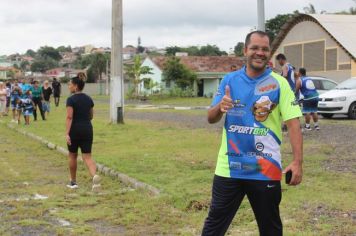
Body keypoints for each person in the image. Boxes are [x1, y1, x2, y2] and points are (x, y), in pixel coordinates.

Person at [202, 31, 303, 236]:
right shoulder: (229, 80)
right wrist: (220, 106)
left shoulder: (280, 84)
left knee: (270, 229)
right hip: (229, 168)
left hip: (265, 168)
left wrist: (297, 162)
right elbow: (211, 117)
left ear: (269, 53)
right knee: (213, 227)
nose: (260, 53)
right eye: (255, 48)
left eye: (265, 49)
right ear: (245, 50)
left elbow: (293, 125)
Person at [65, 72, 101, 191]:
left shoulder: (70, 100)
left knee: (72, 155)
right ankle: (95, 178)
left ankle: (73, 182)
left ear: (75, 86)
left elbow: (69, 117)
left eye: (70, 84)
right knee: (87, 157)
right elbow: (91, 115)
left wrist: (67, 133)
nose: (69, 86)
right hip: (87, 129)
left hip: (74, 130)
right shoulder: (88, 99)